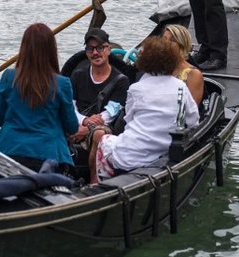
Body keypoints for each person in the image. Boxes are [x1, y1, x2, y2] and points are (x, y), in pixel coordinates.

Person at [89, 37, 200, 183]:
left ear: (145, 61)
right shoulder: (181, 87)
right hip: (163, 152)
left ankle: (93, 183)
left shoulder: (136, 89)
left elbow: (128, 120)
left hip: (131, 155)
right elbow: (193, 121)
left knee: (101, 139)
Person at [0, 23, 80, 173]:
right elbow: (72, 126)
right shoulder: (62, 84)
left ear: (24, 48)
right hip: (49, 154)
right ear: (51, 50)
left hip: (9, 150)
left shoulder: (8, 77)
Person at [69, 28, 130, 144]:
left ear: (109, 49)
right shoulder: (77, 75)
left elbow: (111, 113)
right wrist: (84, 121)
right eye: (90, 49)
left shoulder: (121, 81)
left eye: (100, 48)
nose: (95, 53)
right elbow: (70, 106)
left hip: (103, 128)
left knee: (99, 133)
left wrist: (87, 128)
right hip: (79, 121)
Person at [163, 23, 204, 105]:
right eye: (164, 39)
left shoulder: (193, 74)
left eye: (172, 41)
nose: (165, 43)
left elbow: (191, 110)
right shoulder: (155, 67)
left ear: (182, 45)